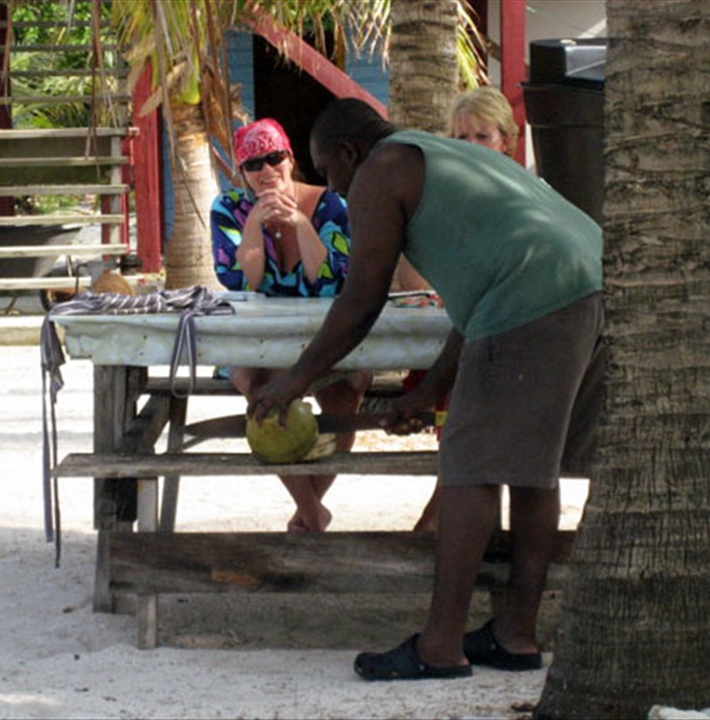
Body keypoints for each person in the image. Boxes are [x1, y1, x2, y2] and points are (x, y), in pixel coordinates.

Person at [248, 98, 604, 679]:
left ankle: (440, 646)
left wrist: (296, 379)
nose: (333, 187)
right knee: (532, 468)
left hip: (534, 297)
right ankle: (514, 635)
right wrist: (426, 391)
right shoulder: (450, 158)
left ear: (348, 152)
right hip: (589, 277)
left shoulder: (380, 171)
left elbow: (361, 300)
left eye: (328, 171)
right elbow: (479, 296)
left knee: (468, 469)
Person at [211, 117, 372, 533]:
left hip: (326, 333)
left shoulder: (332, 205)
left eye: (274, 158)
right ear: (241, 173)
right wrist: (252, 225)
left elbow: (331, 281)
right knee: (258, 386)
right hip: (260, 336)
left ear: (290, 158)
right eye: (253, 165)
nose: (266, 172)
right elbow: (240, 281)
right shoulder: (228, 209)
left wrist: (301, 225)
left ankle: (309, 509)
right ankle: (312, 512)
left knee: (345, 395)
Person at [413, 84, 522, 532]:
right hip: (453, 326)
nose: (472, 147)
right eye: (461, 138)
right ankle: (449, 518)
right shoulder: (441, 200)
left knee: (473, 388)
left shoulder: (530, 196)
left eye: (483, 136)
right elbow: (412, 276)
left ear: (506, 142)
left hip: (515, 334)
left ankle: (443, 518)